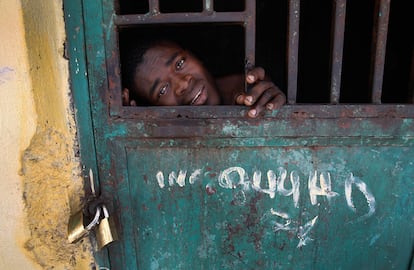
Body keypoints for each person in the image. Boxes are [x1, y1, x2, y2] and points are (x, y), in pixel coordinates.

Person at [122, 40, 285, 118]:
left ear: (195, 56)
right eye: (162, 90)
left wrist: (270, 99)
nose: (182, 84)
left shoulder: (246, 86)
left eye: (179, 63)